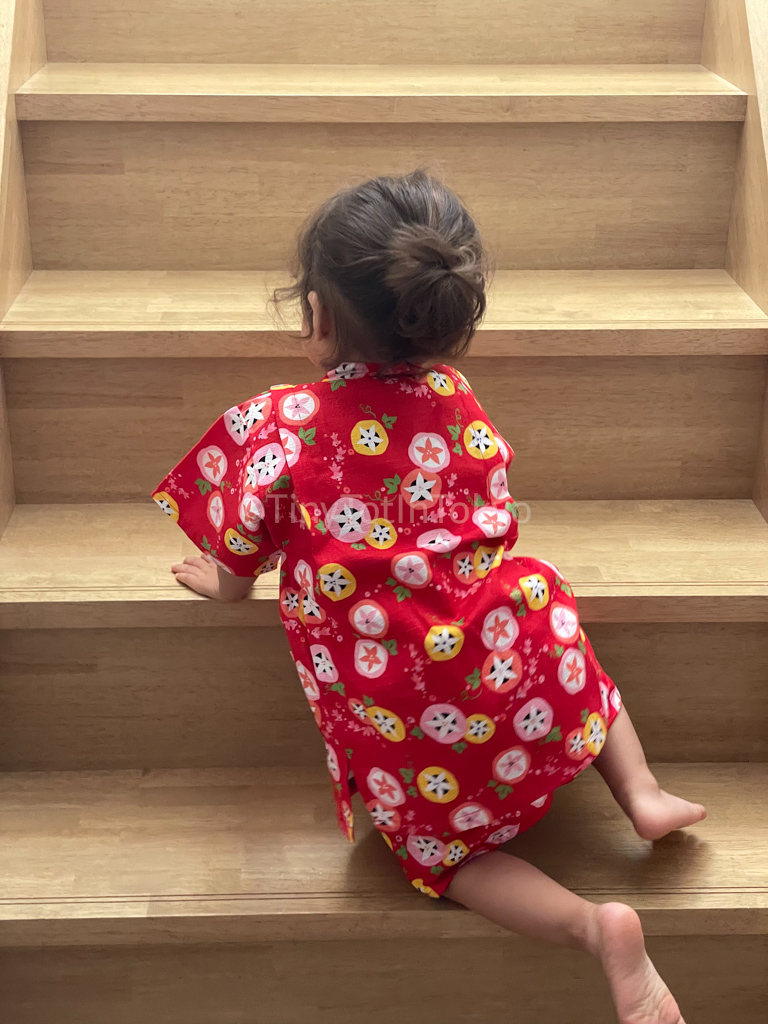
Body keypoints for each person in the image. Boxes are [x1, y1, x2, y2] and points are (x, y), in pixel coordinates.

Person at [153, 170, 705, 1024]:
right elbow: (490, 521)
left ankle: (595, 929)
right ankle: (643, 794)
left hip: (399, 701)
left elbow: (239, 558)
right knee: (541, 593)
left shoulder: (278, 422)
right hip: (506, 655)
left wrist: (221, 581)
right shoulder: (456, 398)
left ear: (319, 316)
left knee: (441, 858)